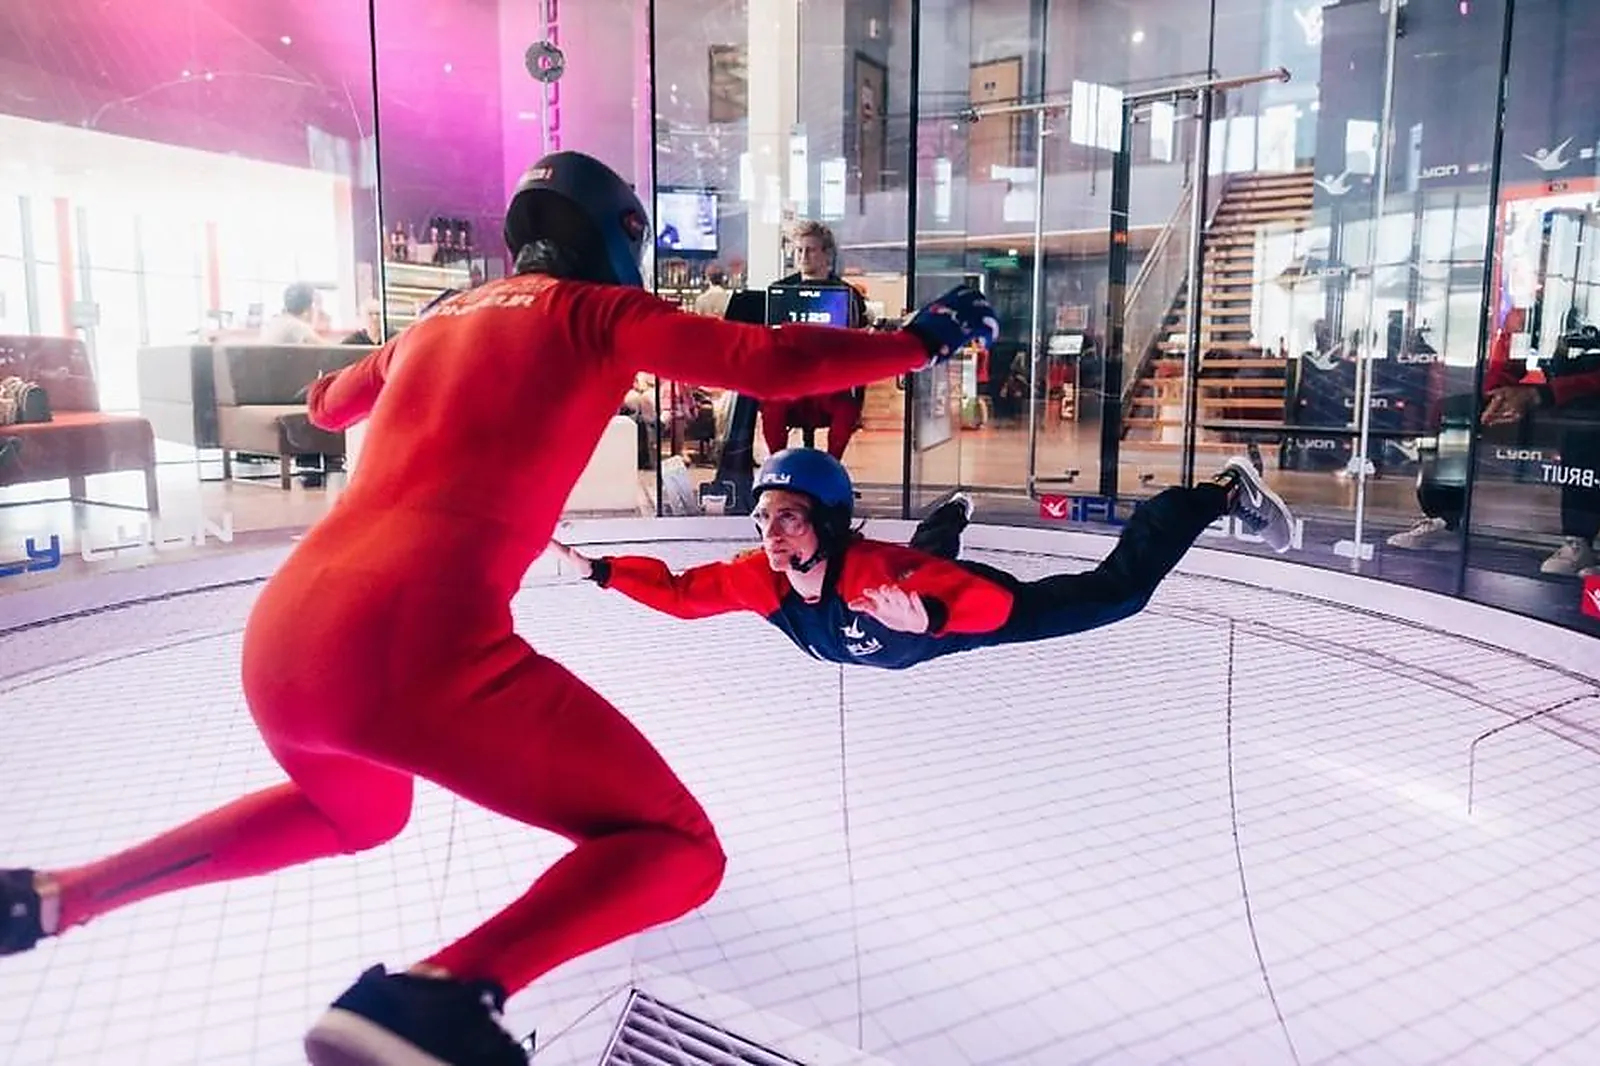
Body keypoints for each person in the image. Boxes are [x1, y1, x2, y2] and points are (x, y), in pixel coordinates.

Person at [0, 151, 998, 1066]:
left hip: (285, 634)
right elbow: (768, 361)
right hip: (414, 639)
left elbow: (325, 405)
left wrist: (365, 365)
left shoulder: (435, 320)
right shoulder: (595, 315)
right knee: (675, 849)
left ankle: (55, 896)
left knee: (352, 811)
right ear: (615, 239)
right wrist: (917, 339)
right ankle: (434, 995)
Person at [549, 448, 1296, 671]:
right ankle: (947, 516)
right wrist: (600, 571)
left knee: (1117, 593)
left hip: (961, 610)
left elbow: (995, 609)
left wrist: (932, 619)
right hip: (906, 604)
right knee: (919, 560)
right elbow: (681, 594)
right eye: (766, 520)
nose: (774, 536)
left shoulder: (884, 577)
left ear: (833, 527)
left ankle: (1220, 492)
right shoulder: (758, 576)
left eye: (792, 520)